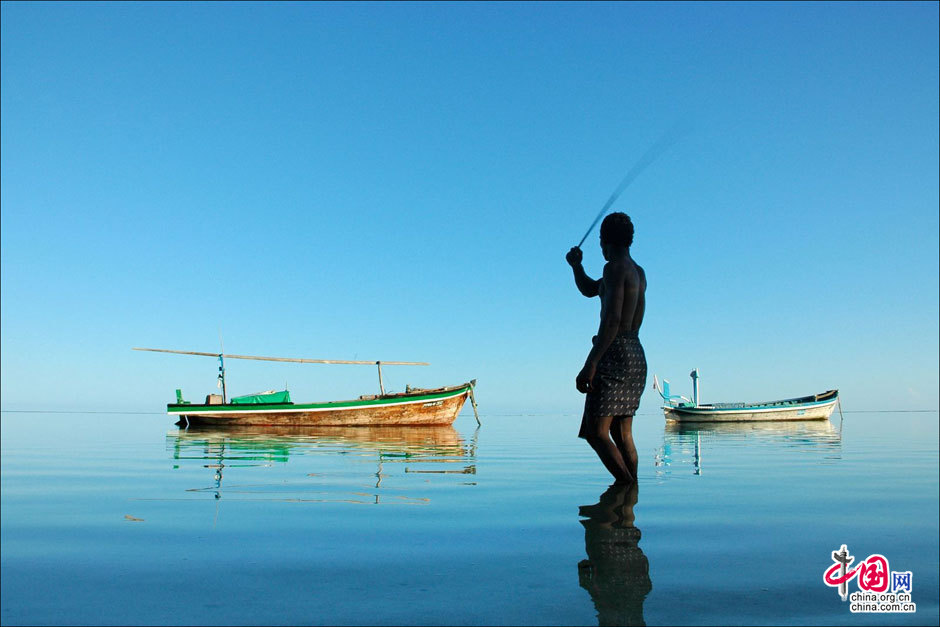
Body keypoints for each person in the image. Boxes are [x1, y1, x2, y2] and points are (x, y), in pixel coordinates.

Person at [566, 212, 647, 484]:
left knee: (595, 431)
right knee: (623, 434)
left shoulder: (613, 268)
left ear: (604, 240)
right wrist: (577, 266)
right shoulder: (637, 272)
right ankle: (630, 505)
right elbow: (592, 290)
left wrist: (591, 363)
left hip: (615, 351)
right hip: (635, 353)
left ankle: (626, 488)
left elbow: (611, 320)